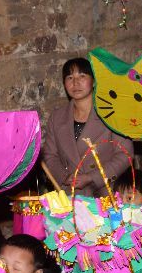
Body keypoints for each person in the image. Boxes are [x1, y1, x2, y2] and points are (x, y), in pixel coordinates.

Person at [42, 56, 132, 197]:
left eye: (82, 76)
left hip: (107, 192)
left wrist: (92, 177)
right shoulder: (57, 117)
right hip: (70, 193)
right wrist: (65, 177)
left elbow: (125, 155)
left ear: (94, 81)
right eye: (70, 77)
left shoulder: (111, 114)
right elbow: (50, 155)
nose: (75, 83)